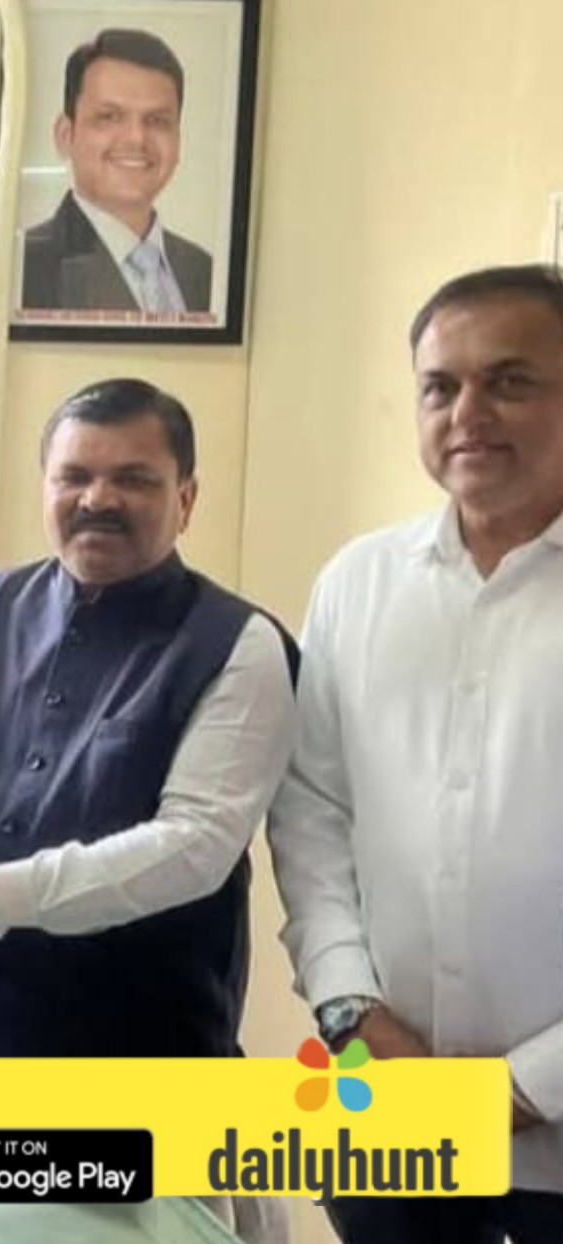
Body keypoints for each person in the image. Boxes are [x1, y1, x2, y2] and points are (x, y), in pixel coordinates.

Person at [0, 378, 295, 1066]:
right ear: (45, 487)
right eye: (74, 477)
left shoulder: (241, 644)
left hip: (146, 1057)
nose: (98, 500)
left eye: (134, 480)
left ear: (186, 499)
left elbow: (193, 847)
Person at [270, 264, 563, 1243]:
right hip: (384, 1118)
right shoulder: (358, 581)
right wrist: (351, 1014)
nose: (467, 413)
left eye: (509, 381)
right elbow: (311, 816)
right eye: (439, 386)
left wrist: (523, 1086)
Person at [21, 29, 213, 316]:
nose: (137, 139)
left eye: (157, 121)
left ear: (178, 142)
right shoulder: (25, 266)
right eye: (110, 117)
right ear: (65, 135)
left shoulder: (203, 269)